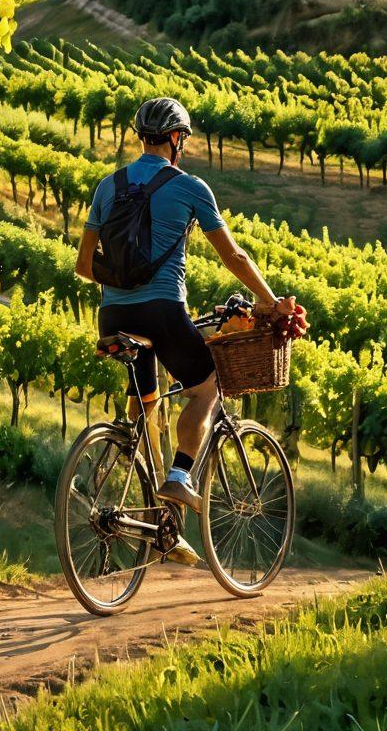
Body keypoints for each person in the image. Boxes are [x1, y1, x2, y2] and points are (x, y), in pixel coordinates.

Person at [75, 97, 295, 529]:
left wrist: (127, 283)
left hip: (113, 317)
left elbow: (84, 267)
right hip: (163, 311)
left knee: (147, 403)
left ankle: (149, 516)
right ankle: (177, 476)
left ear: (142, 138)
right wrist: (269, 302)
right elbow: (232, 255)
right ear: (176, 139)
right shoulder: (191, 188)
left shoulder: (107, 187)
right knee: (209, 388)